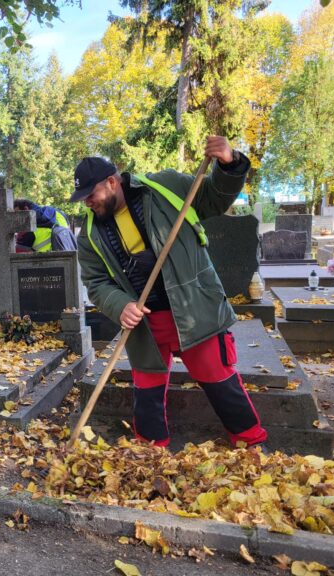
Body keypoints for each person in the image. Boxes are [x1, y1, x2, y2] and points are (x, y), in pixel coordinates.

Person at [71, 136, 267, 450]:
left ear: (111, 181)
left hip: (194, 311)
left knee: (221, 382)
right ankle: (151, 455)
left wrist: (229, 165)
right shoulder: (90, 234)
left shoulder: (164, 187)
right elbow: (96, 284)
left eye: (90, 194)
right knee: (147, 395)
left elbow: (213, 197)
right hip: (146, 326)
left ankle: (253, 444)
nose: (87, 203)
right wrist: (120, 305)